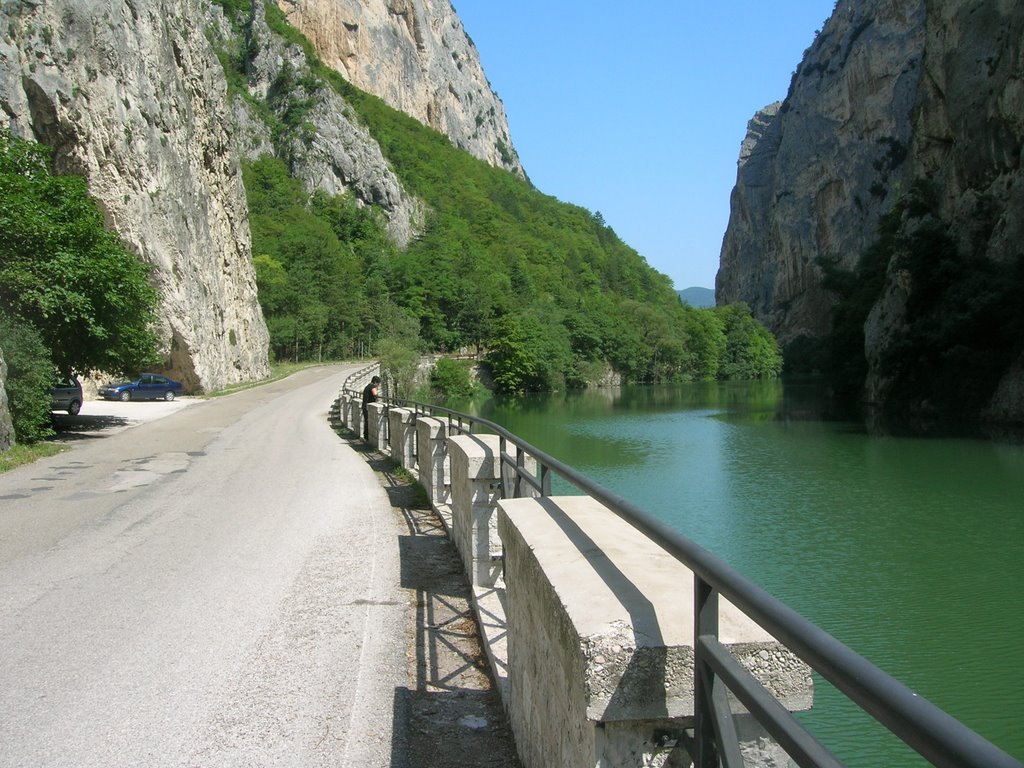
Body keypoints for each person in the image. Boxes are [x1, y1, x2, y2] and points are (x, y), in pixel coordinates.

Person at [362, 375, 381, 440]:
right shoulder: (372, 386)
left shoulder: (368, 386)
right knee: (368, 421)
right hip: (367, 407)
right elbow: (375, 394)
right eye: (378, 384)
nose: (378, 385)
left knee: (366, 421)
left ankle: (366, 436)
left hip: (364, 405)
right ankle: (367, 437)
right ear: (375, 382)